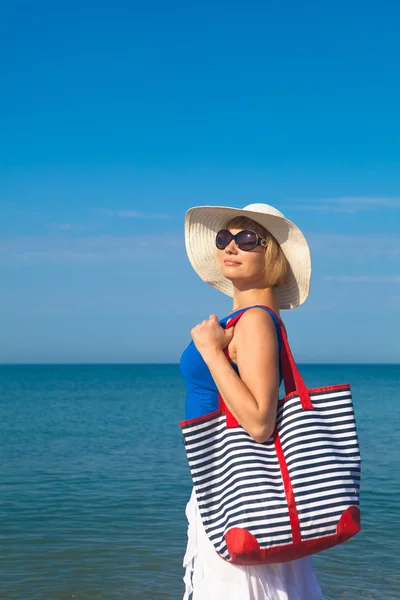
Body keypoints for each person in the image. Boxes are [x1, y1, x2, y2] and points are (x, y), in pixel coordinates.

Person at [179, 203, 325, 600]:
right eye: (224, 238)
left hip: (240, 486)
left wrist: (210, 353)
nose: (230, 246)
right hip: (223, 482)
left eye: (247, 239)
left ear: (272, 254)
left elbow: (261, 422)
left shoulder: (256, 320)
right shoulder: (238, 321)